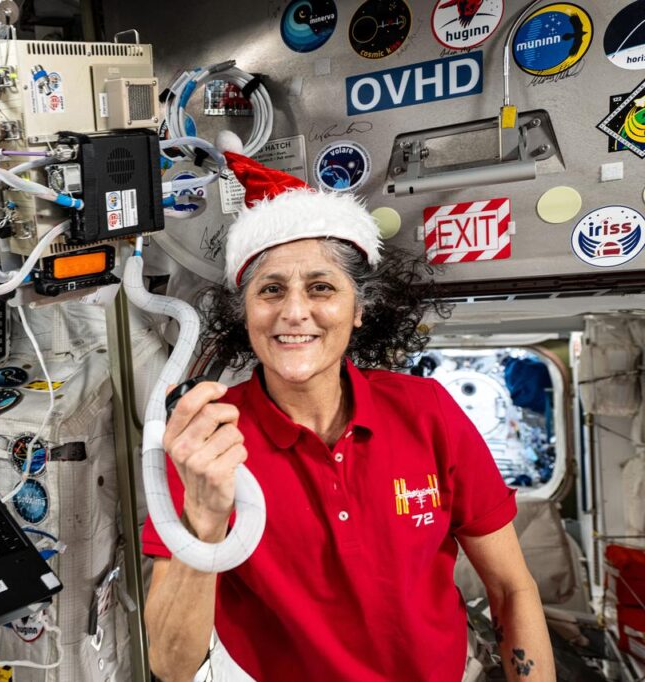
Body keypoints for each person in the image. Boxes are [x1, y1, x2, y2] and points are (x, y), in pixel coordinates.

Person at [141, 152, 554, 681]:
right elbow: (172, 666)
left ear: (359, 310)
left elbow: (511, 589)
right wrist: (204, 514)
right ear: (245, 316)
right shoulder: (207, 441)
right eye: (270, 290)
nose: (294, 312)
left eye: (321, 287)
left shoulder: (426, 411)